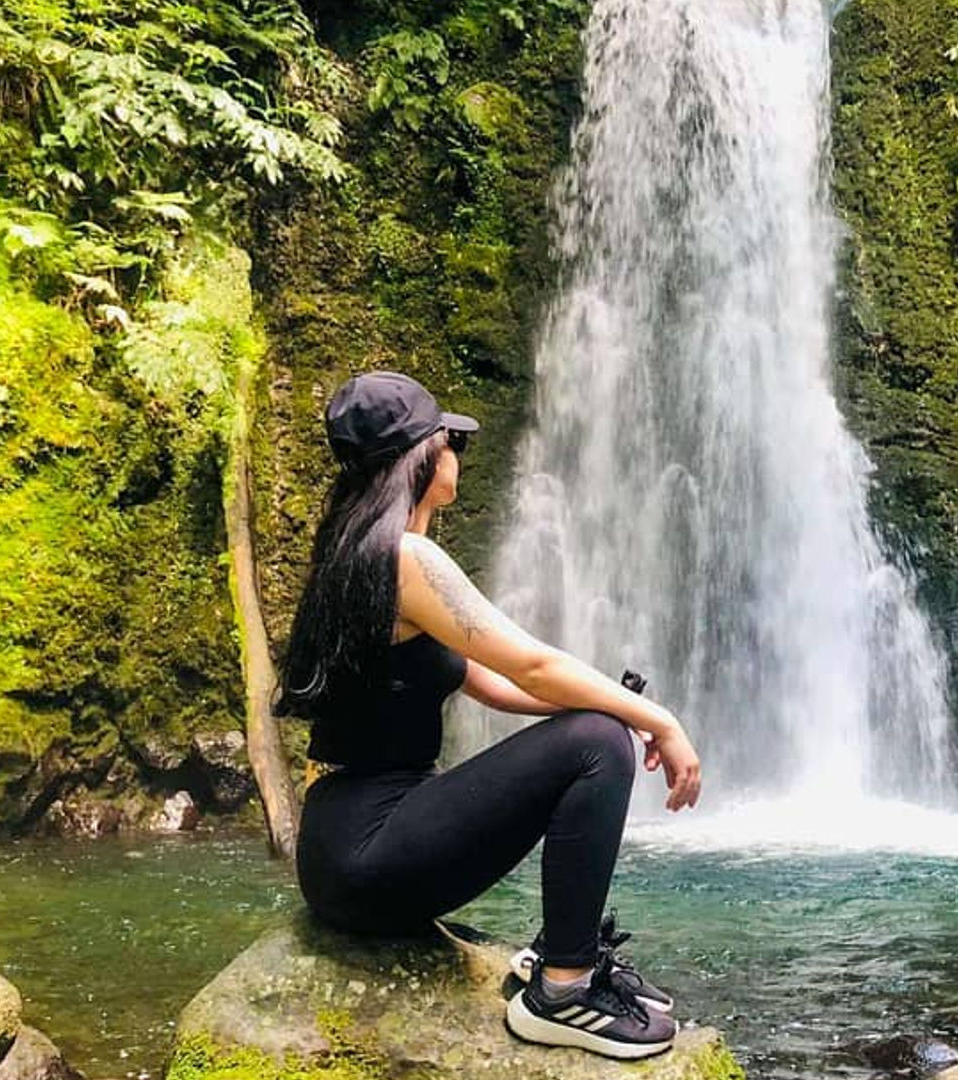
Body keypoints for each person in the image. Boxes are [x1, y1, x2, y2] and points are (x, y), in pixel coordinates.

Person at [275, 370, 702, 1059]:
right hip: (365, 852)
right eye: (453, 445)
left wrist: (612, 703)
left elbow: (493, 683)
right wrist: (657, 719)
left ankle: (564, 954)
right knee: (599, 743)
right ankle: (563, 991)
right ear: (422, 459)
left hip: (350, 841)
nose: (459, 459)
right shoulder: (407, 560)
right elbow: (529, 665)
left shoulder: (358, 552)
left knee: (600, 727)